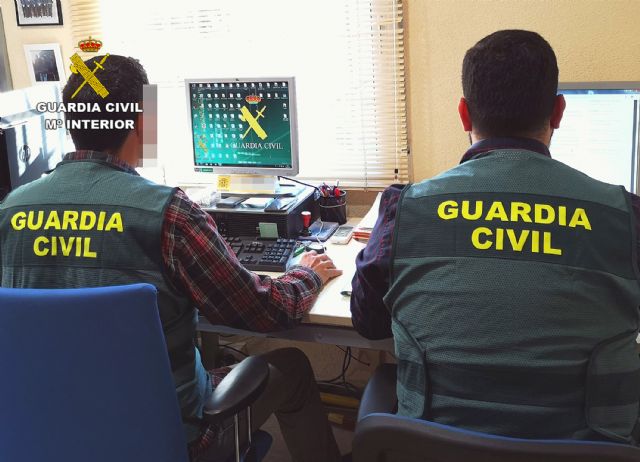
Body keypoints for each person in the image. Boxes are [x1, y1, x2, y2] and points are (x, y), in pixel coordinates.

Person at [0, 55, 343, 462]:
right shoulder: (169, 213)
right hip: (166, 438)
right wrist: (307, 274)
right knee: (293, 366)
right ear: (142, 122)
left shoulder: (9, 210)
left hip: (46, 434)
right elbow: (262, 310)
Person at [351, 30, 640, 444]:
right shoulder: (627, 217)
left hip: (434, 450)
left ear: (464, 115)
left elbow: (368, 321)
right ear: (558, 112)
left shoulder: (405, 210)